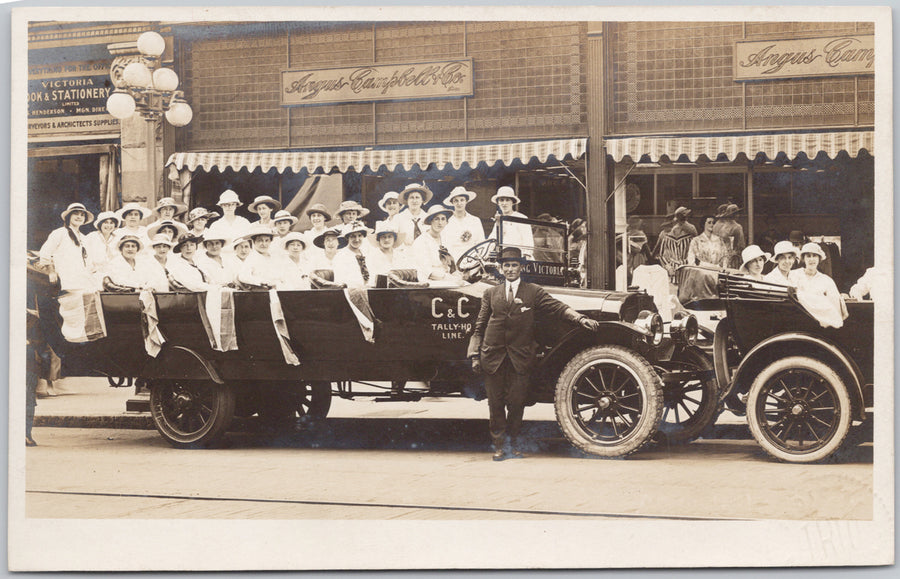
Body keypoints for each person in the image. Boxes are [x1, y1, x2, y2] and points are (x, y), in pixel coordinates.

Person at [468, 247, 600, 461]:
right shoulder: (490, 293)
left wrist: (579, 318)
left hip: (520, 358)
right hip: (492, 357)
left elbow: (557, 307)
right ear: (501, 269)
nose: (510, 269)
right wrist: (475, 355)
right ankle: (500, 447)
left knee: (517, 403)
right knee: (495, 404)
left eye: (514, 265)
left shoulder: (533, 291)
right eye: (506, 266)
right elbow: (480, 325)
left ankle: (513, 446)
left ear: (522, 267)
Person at [39, 202, 98, 292]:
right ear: (68, 217)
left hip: (84, 279)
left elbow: (88, 260)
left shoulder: (84, 238)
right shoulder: (60, 233)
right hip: (68, 279)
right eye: (75, 214)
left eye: (82, 215)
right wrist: (51, 271)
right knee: (71, 304)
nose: (79, 217)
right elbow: (45, 252)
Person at [789, 242, 848, 329]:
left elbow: (835, 305)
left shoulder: (826, 280)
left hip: (818, 325)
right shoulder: (793, 275)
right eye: (808, 256)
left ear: (819, 259)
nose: (811, 259)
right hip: (797, 321)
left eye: (814, 256)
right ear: (803, 259)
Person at [411, 205, 462, 286]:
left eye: (443, 219)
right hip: (429, 282)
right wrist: (452, 279)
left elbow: (452, 267)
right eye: (436, 219)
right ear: (431, 221)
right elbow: (428, 272)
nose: (440, 223)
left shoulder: (446, 239)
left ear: (446, 222)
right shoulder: (421, 241)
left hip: (447, 279)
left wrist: (458, 276)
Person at [442, 186, 486, 262]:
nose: (459, 203)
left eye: (462, 200)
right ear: (452, 203)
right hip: (453, 260)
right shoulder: (447, 222)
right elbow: (445, 244)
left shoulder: (475, 220)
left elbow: (481, 243)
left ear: (466, 201)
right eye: (456, 201)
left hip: (472, 260)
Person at [488, 186, 534, 258]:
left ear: (512, 202)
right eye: (501, 200)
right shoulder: (499, 220)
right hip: (504, 259)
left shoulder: (521, 218)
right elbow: (492, 240)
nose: (504, 203)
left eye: (507, 200)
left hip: (520, 259)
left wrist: (525, 257)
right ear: (498, 203)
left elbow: (528, 242)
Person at [237, 224, 286, 289]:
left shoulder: (274, 257)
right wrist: (261, 282)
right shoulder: (252, 258)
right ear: (254, 242)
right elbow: (243, 276)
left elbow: (282, 275)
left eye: (267, 240)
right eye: (260, 240)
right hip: (262, 292)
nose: (264, 244)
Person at [83, 210, 121, 284]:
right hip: (94, 273)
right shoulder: (92, 237)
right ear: (100, 224)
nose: (109, 226)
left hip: (114, 273)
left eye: (111, 223)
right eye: (105, 222)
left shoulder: (118, 239)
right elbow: (85, 256)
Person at [332, 221, 372, 288]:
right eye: (353, 236)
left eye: (359, 236)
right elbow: (340, 281)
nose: (357, 239)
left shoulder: (366, 253)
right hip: (350, 292)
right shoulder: (341, 256)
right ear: (347, 238)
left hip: (369, 290)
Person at [394, 183, 433, 248]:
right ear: (407, 200)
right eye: (411, 198)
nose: (414, 201)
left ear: (422, 200)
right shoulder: (398, 218)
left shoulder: (428, 217)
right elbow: (395, 240)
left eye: (417, 197)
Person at [711, 203, 745, 269]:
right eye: (737, 213)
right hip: (732, 257)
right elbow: (741, 245)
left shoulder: (719, 226)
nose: (738, 215)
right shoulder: (737, 227)